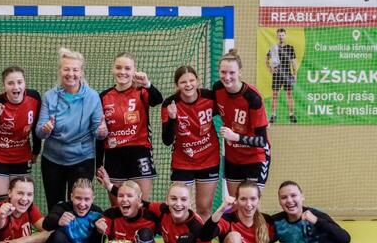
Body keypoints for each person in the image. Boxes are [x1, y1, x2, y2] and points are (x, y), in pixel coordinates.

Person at [36, 47, 107, 211]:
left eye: (75, 70)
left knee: (80, 207)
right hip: (52, 160)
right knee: (56, 208)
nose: (71, 74)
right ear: (60, 71)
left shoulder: (92, 97)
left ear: (81, 72)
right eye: (66, 69)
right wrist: (46, 129)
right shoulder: (49, 96)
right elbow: (39, 132)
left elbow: (98, 133)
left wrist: (102, 132)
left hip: (82, 160)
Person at [96, 52, 162, 203]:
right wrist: (98, 163)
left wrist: (147, 84)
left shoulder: (142, 91)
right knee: (118, 206)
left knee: (141, 204)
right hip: (113, 155)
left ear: (134, 71)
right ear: (113, 69)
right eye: (118, 67)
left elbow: (158, 100)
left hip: (140, 151)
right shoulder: (104, 96)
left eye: (127, 68)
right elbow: (99, 134)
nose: (122, 72)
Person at [0, 66, 42, 207]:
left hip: (21, 156)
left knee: (20, 202)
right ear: (4, 86)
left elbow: (36, 127)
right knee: (0, 205)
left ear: (25, 83)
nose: (16, 87)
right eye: (10, 83)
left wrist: (36, 151)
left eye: (19, 82)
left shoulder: (34, 98)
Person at [162, 66, 220, 220]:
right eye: (183, 82)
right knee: (180, 207)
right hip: (183, 162)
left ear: (198, 81)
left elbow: (228, 110)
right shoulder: (170, 104)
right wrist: (172, 118)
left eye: (191, 80)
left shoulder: (209, 98)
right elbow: (167, 140)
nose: (188, 85)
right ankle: (183, 236)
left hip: (209, 158)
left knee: (204, 208)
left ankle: (203, 236)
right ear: (176, 85)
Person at [214, 49, 271, 196]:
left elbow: (262, 140)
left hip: (255, 157)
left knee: (250, 204)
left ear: (240, 72)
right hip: (233, 157)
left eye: (232, 73)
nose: (227, 77)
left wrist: (235, 137)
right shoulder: (218, 89)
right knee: (235, 203)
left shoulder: (252, 97)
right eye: (223, 72)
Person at [266, 28, 298, 123]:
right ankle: (273, 115)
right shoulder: (273, 48)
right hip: (277, 75)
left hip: (287, 74)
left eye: (282, 35)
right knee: (275, 95)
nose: (281, 37)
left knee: (289, 95)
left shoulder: (290, 48)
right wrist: (270, 69)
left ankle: (291, 115)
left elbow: (294, 62)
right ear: (277, 36)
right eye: (279, 35)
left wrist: (295, 75)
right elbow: (266, 59)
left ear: (285, 36)